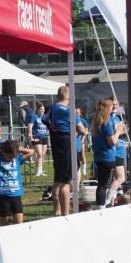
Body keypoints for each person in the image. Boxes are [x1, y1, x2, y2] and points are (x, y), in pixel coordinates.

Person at [48, 86, 84, 217]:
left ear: (58, 96)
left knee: (57, 179)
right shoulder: (70, 111)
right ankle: (66, 214)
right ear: (69, 98)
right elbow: (81, 128)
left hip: (56, 143)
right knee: (65, 181)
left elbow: (45, 121)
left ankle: (57, 210)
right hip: (66, 143)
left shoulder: (52, 108)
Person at [0, 139, 34, 225]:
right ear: (3, 152)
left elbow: (31, 152)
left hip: (16, 197)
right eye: (10, 156)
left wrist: (17, 149)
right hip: (3, 198)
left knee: (19, 225)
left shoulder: (17, 160)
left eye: (13, 156)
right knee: (4, 226)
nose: (12, 159)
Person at [91, 97, 127, 208]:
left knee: (101, 184)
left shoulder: (96, 121)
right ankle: (104, 204)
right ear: (107, 108)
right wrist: (118, 132)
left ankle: (103, 204)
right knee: (104, 184)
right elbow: (112, 142)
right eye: (112, 105)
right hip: (108, 157)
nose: (114, 107)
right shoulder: (108, 122)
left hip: (99, 156)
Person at [28, 103, 49, 176]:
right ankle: (38, 171)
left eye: (43, 109)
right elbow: (30, 126)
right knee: (39, 154)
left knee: (43, 155)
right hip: (37, 136)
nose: (42, 111)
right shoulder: (34, 116)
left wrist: (48, 131)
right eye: (40, 109)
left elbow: (48, 125)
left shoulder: (45, 117)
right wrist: (31, 137)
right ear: (37, 110)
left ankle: (40, 170)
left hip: (44, 137)